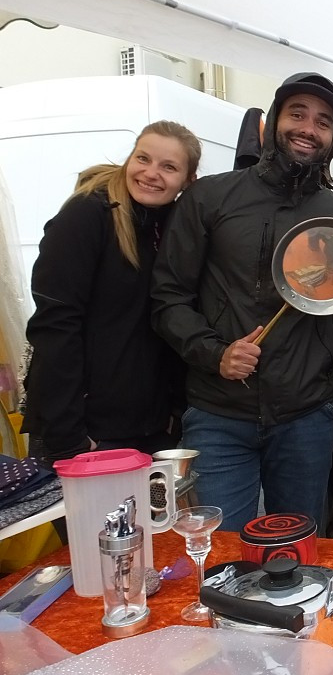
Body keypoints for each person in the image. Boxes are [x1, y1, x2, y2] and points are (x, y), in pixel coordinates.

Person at [152, 73, 333, 532]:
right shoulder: (210, 197)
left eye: (323, 122)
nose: (308, 128)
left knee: (296, 554)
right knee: (219, 556)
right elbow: (168, 297)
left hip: (306, 418)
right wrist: (215, 354)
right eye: (297, 114)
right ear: (269, 124)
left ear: (332, 139)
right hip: (217, 416)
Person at [23, 121, 201, 466]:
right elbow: (55, 325)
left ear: (188, 181)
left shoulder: (172, 227)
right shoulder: (87, 214)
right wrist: (68, 437)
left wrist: (174, 415)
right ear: (128, 159)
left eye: (168, 167)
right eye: (143, 158)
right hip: (85, 433)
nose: (151, 174)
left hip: (150, 431)